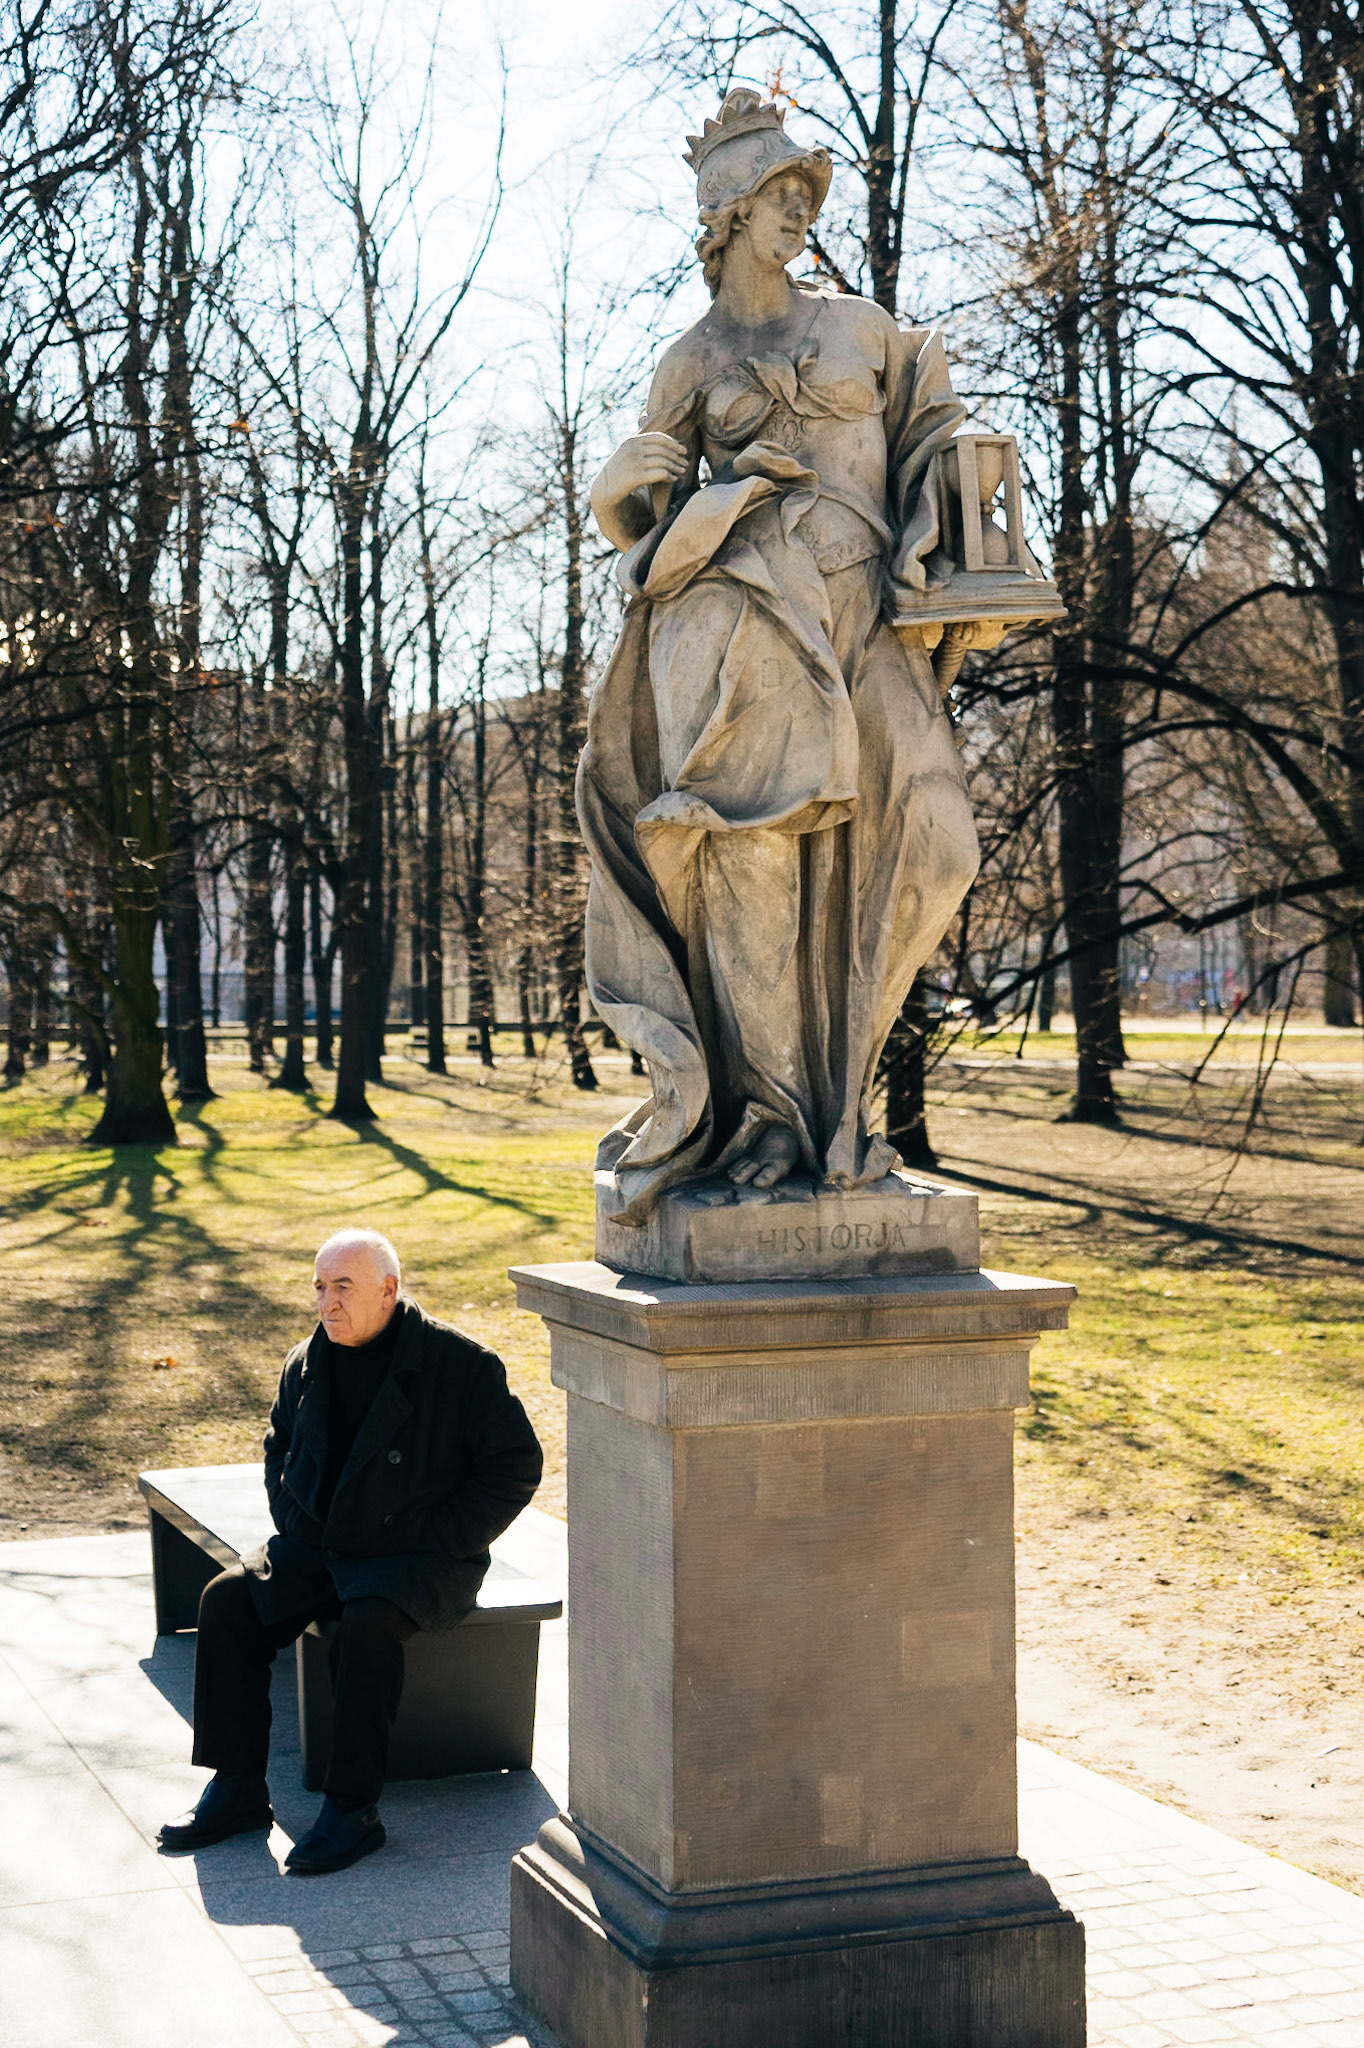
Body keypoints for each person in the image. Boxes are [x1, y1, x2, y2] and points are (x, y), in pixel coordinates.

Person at [581, 88, 981, 1222]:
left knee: (934, 849)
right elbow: (637, 506)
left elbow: (933, 435)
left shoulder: (861, 328)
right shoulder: (690, 358)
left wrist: (934, 524)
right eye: (780, 195)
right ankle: (769, 1120)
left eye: (808, 193)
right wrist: (656, 501)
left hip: (868, 626)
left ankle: (842, 1104)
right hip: (753, 631)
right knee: (755, 880)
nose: (801, 212)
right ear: (727, 213)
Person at [158, 1228, 543, 1875]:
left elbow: (515, 1464)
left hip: (414, 1555)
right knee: (227, 1602)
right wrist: (291, 1516)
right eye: (319, 1288)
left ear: (388, 1291)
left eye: (343, 1288)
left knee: (364, 1630)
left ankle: (352, 1810)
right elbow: (278, 1445)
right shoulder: (305, 1359)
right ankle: (238, 1787)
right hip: (319, 1542)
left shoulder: (458, 1364)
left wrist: (445, 1537)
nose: (327, 1303)